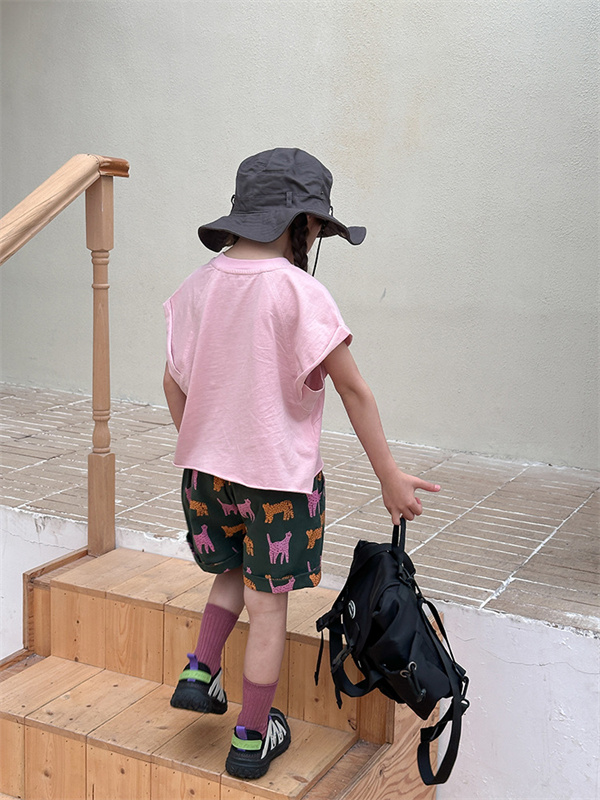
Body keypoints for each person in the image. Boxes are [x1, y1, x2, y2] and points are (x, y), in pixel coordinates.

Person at [162, 147, 440, 780]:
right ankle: (251, 737)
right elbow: (354, 391)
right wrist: (389, 476)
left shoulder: (195, 287)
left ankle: (201, 670)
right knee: (268, 607)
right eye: (316, 229)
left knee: (229, 569)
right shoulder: (301, 293)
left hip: (205, 480)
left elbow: (173, 381)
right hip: (278, 488)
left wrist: (206, 444)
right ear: (303, 223)